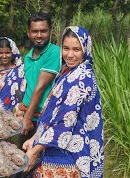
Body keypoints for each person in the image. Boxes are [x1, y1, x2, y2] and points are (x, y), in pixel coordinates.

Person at [22, 26, 104, 177]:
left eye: (76, 49)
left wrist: (34, 151)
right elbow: (51, 114)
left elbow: (64, 121)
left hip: (72, 154)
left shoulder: (82, 78)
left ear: (85, 50)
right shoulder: (67, 71)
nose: (70, 54)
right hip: (57, 145)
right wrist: (34, 138)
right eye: (66, 48)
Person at [16, 12, 61, 144]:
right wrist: (22, 111)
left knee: (38, 159)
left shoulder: (54, 53)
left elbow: (40, 88)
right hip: (28, 115)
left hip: (45, 119)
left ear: (50, 32)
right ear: (28, 33)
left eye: (43, 31)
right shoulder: (28, 57)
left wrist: (27, 119)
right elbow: (30, 87)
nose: (39, 35)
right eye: (35, 31)